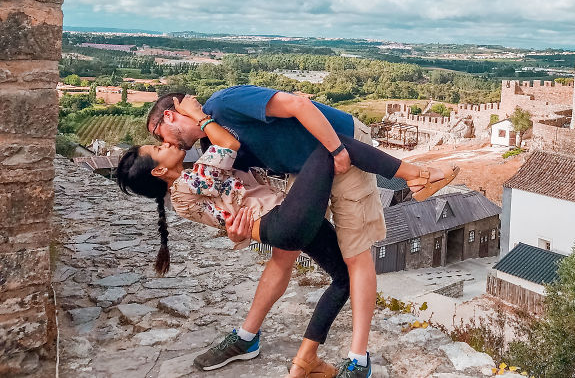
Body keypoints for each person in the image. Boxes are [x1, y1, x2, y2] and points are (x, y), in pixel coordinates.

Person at [146, 87, 457, 377]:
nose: (166, 143)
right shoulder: (210, 141)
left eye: (158, 135)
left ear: (169, 116)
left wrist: (337, 149)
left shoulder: (223, 104)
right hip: (307, 168)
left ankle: (358, 360)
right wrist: (237, 231)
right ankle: (246, 336)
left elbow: (298, 104)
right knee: (284, 255)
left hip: (340, 144)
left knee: (355, 255)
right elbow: (239, 196)